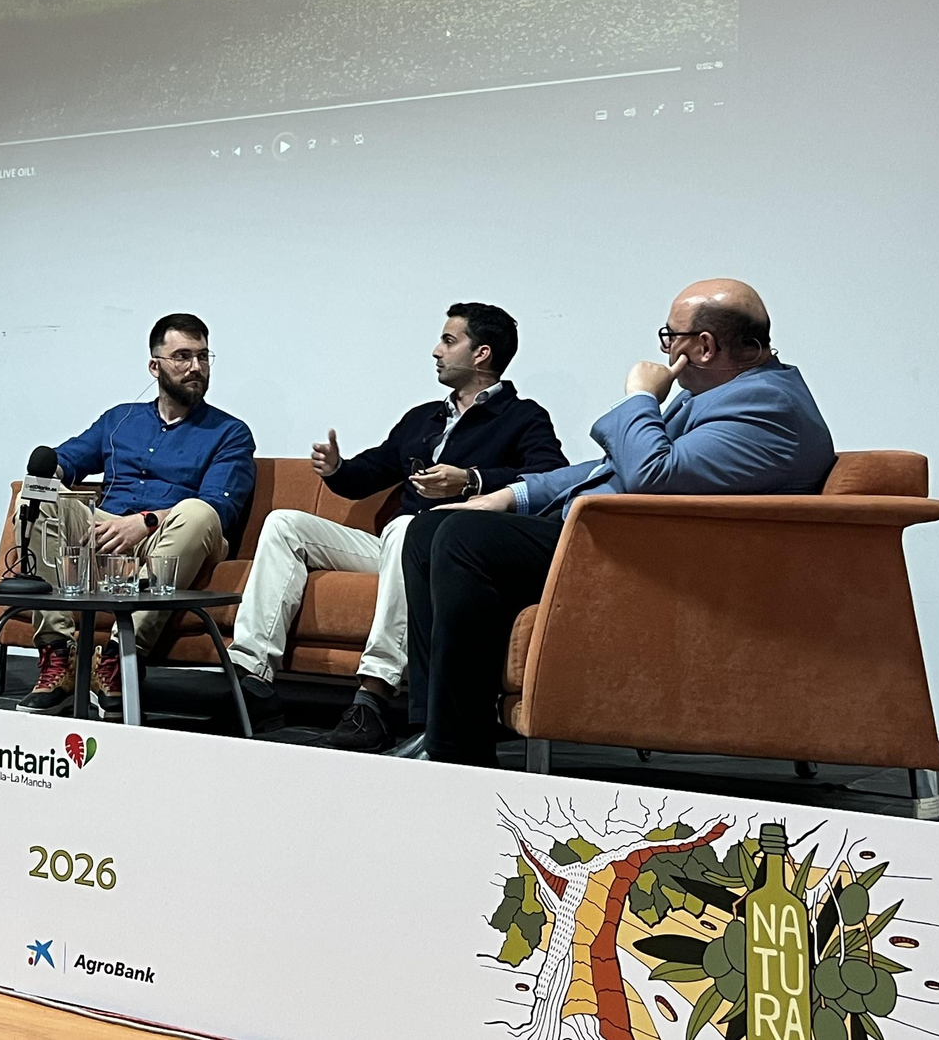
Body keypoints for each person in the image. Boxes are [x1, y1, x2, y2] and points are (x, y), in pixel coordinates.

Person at [394, 279, 835, 765]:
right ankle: (437, 727)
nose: (665, 349)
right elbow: (611, 466)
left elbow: (651, 473)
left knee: (463, 539)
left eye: (671, 336)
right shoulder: (722, 391)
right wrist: (508, 496)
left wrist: (639, 398)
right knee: (430, 527)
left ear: (704, 346)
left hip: (649, 560)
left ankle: (458, 752)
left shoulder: (766, 405)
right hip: (619, 537)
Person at [227, 303, 566, 751]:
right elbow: (370, 473)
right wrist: (336, 468)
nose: (435, 351)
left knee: (408, 527)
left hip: (450, 550)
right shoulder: (425, 417)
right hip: (395, 546)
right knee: (285, 524)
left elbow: (551, 478)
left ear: (482, 354)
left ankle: (373, 696)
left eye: (448, 341)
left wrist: (471, 480)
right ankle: (250, 679)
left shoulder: (523, 417)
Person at [19, 313, 256, 721]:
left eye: (203, 357)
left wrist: (144, 521)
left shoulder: (229, 433)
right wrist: (47, 473)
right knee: (42, 493)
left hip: (175, 535)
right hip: (105, 529)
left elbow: (220, 508)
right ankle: (59, 656)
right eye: (182, 356)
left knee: (197, 512)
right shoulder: (121, 419)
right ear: (155, 366)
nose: (196, 367)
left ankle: (118, 658)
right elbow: (70, 458)